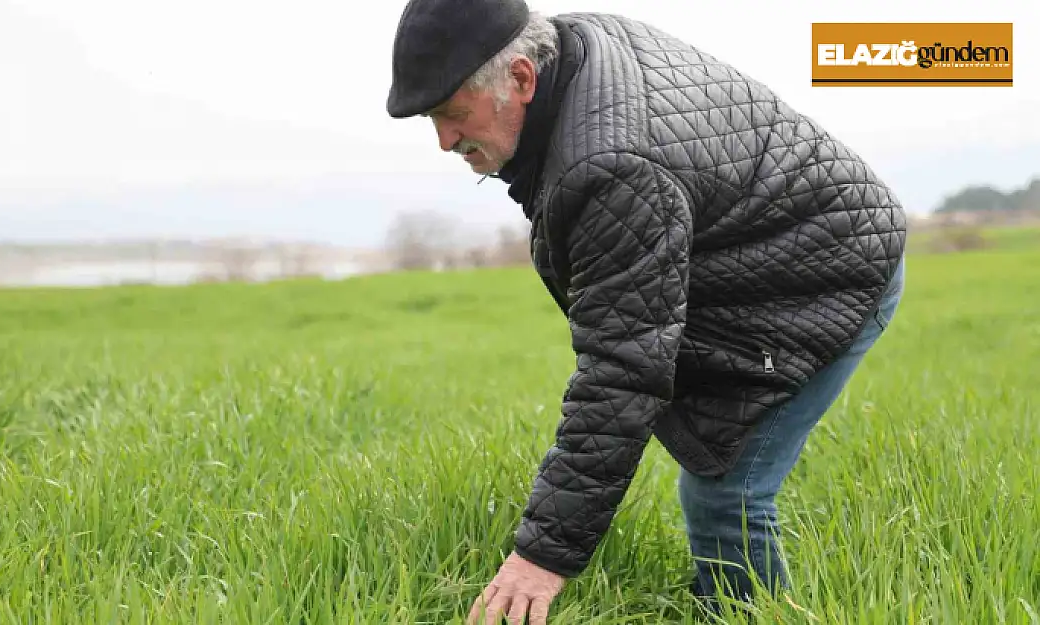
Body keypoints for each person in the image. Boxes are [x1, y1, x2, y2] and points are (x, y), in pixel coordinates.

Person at [385, 1, 907, 622]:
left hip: (827, 274)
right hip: (774, 248)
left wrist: (541, 558)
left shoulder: (612, 167)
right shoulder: (571, 45)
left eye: (451, 113)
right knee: (713, 468)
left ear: (522, 78)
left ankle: (752, 614)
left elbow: (623, 370)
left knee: (727, 493)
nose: (444, 140)